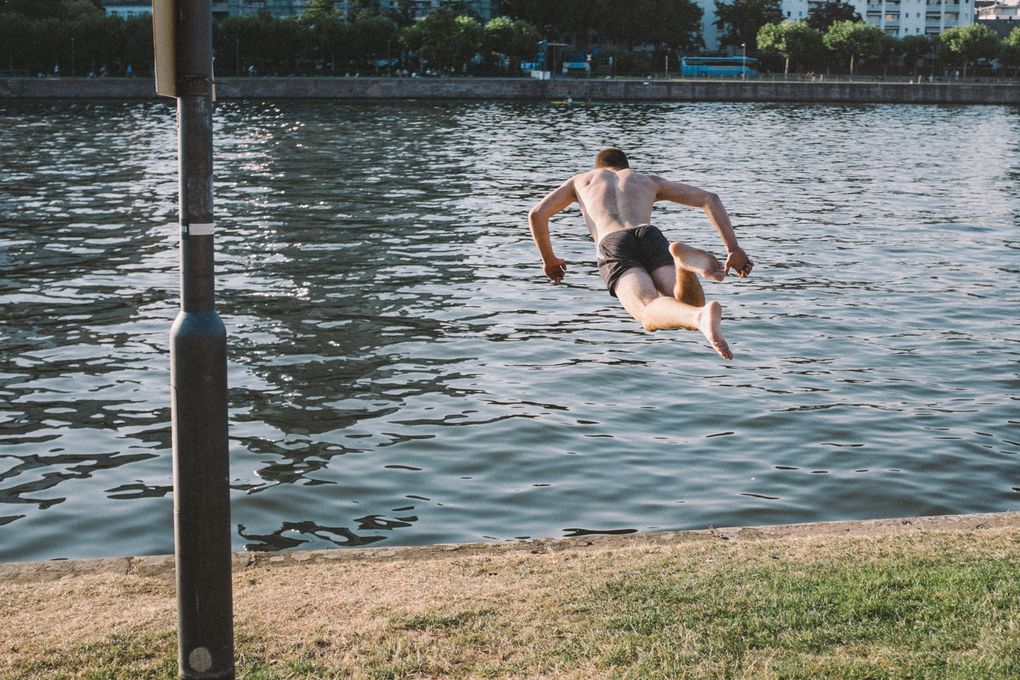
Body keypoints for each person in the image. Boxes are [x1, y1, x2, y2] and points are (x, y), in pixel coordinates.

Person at [528, 147, 753, 360]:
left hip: (613, 241)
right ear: (626, 166)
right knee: (686, 303)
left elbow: (537, 214)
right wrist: (733, 248)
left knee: (647, 311)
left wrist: (549, 260)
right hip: (650, 235)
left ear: (598, 167)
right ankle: (684, 270)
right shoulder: (646, 180)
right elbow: (709, 198)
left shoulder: (581, 180)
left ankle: (699, 314)